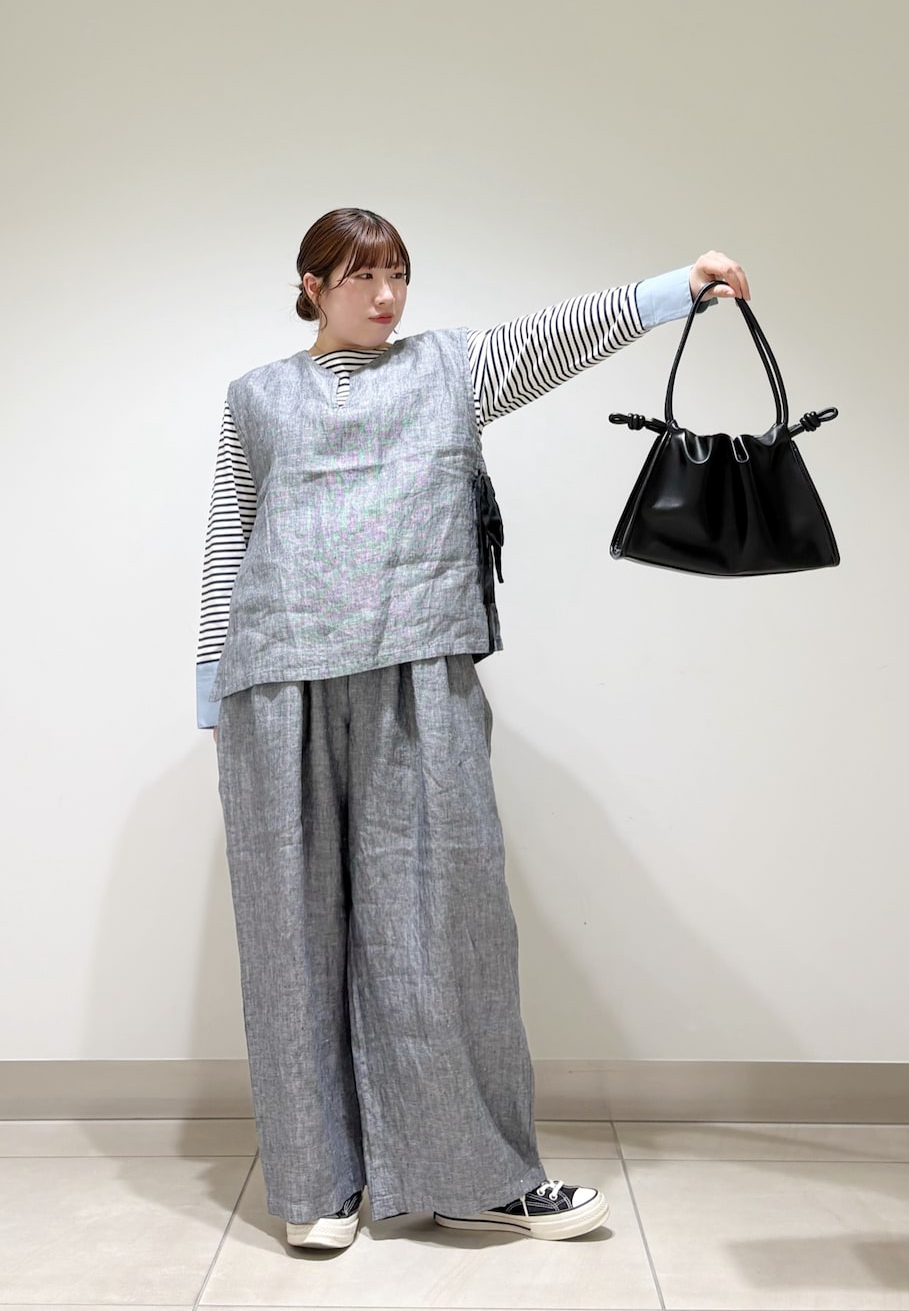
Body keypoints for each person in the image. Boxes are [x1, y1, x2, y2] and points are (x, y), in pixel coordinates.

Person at [197, 207, 749, 1251]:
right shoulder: (254, 397)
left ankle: (480, 1175)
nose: (386, 297)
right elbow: (232, 532)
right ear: (311, 286)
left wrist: (677, 287)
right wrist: (207, 686)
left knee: (448, 925)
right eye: (360, 278)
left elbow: (558, 335)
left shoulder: (453, 367)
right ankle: (317, 1183)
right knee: (287, 934)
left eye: (399, 274)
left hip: (421, 665)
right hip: (277, 677)